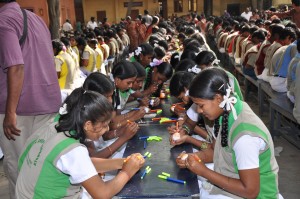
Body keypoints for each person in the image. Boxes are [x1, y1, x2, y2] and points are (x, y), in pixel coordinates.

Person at [16, 88, 145, 198]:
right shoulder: (73, 150)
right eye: (104, 125)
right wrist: (126, 173)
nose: (107, 129)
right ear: (88, 125)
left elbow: (82, 164)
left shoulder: (55, 125)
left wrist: (122, 163)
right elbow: (102, 194)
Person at [173, 68, 280, 198]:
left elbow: (250, 191)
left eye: (201, 105)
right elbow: (216, 151)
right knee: (195, 184)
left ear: (218, 98)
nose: (199, 111)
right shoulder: (228, 111)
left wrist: (203, 171)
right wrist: (193, 158)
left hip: (258, 195)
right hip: (235, 178)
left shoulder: (245, 137)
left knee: (198, 188)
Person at [0, 1, 61, 198]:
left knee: (19, 169)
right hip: (46, 103)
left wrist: (10, 112)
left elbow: (16, 66)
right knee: (43, 166)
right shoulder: (36, 19)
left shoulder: (4, 20)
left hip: (19, 110)